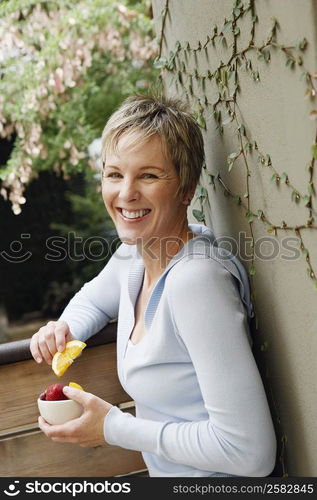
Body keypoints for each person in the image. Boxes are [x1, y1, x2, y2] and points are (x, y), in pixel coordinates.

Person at [30, 94, 277, 477]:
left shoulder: (196, 282)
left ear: (186, 188)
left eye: (148, 175)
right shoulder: (135, 258)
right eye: (114, 174)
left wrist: (112, 427)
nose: (126, 193)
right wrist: (63, 330)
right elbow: (92, 301)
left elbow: (250, 453)